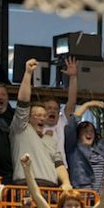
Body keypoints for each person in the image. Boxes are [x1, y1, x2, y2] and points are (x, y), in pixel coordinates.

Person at [11, 59, 71, 188]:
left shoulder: (51, 140)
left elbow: (59, 164)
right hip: (26, 186)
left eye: (44, 115)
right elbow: (23, 102)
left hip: (50, 188)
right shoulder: (21, 129)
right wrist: (28, 74)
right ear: (28, 118)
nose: (42, 118)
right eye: (37, 115)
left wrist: (66, 182)